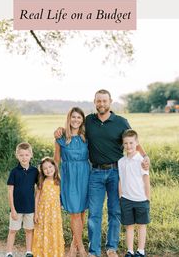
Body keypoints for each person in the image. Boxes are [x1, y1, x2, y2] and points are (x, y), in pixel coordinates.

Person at [54, 89, 149, 257]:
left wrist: (145, 156)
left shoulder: (121, 122)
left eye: (104, 101)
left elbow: (133, 140)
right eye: (99, 101)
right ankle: (94, 250)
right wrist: (61, 129)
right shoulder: (89, 121)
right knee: (94, 214)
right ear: (94, 102)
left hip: (115, 172)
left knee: (114, 211)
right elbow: (73, 127)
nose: (101, 104)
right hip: (95, 173)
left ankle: (111, 248)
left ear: (110, 101)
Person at [54, 107, 90, 257]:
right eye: (73, 117)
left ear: (82, 120)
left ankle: (73, 244)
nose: (76, 120)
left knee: (81, 211)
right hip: (69, 176)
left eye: (79, 117)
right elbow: (56, 159)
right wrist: (53, 179)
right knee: (75, 212)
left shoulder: (87, 137)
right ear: (69, 119)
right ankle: (80, 247)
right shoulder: (61, 137)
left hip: (85, 174)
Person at [118, 129, 150, 257]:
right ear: (123, 145)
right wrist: (120, 195)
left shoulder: (141, 161)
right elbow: (120, 179)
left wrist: (148, 198)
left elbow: (146, 180)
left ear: (136, 143)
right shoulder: (121, 161)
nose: (128, 146)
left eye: (131, 143)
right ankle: (130, 251)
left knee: (142, 226)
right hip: (126, 199)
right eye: (125, 143)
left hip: (141, 199)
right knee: (129, 226)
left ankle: (140, 251)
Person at [6, 142, 39, 257]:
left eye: (26, 155)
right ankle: (9, 252)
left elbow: (38, 189)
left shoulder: (35, 171)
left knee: (29, 230)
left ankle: (29, 251)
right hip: (17, 208)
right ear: (17, 156)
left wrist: (36, 210)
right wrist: (13, 209)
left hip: (30, 207)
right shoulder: (14, 172)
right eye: (21, 155)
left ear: (31, 155)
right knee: (13, 230)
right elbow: (10, 191)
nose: (24, 157)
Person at [32, 157, 65, 257]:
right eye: (45, 168)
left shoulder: (59, 181)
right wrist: (36, 213)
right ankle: (43, 253)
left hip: (54, 214)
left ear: (54, 167)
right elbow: (36, 198)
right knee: (43, 231)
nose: (48, 170)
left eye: (50, 167)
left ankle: (54, 253)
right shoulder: (41, 182)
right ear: (42, 171)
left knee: (54, 231)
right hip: (43, 213)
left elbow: (61, 197)